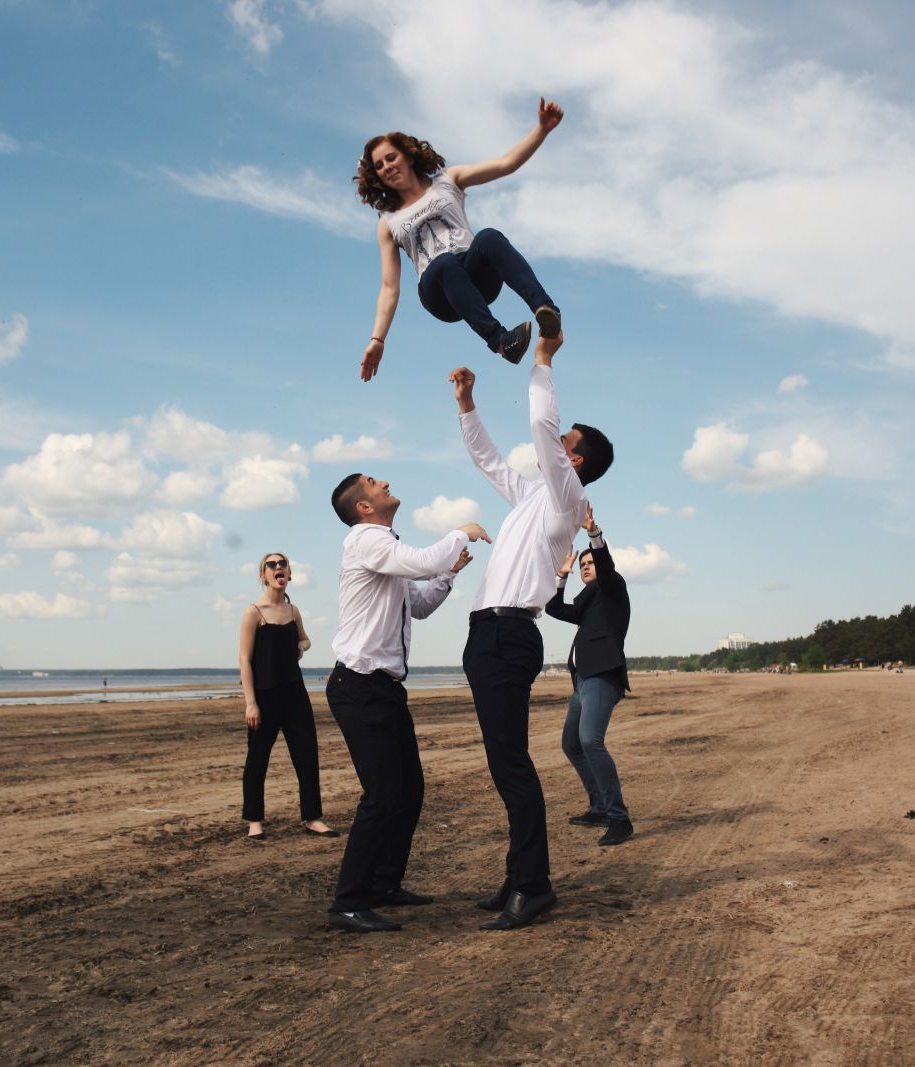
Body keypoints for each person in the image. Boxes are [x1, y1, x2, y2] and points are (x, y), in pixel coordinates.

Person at [450, 332, 615, 930]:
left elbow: (545, 431)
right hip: (484, 636)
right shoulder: (529, 498)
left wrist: (542, 362)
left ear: (575, 463)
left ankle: (534, 884)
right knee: (504, 763)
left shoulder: (567, 498)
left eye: (566, 444)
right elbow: (490, 460)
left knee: (510, 765)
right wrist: (467, 405)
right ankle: (519, 874)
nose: (556, 443)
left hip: (510, 636)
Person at [324, 473, 488, 934]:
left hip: (385, 689)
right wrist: (463, 530)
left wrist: (450, 572)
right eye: (376, 483)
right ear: (363, 507)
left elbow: (418, 602)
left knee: (408, 790)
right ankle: (348, 902)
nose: (386, 483)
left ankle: (383, 885)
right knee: (381, 796)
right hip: (358, 686)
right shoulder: (365, 540)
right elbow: (420, 562)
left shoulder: (384, 553)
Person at [354, 97, 566, 381]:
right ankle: (502, 342)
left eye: (391, 158)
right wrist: (377, 339)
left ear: (408, 156)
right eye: (379, 166)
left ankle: (546, 311)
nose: (387, 167)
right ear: (377, 176)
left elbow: (506, 163)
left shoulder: (448, 180)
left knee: (488, 237)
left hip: (476, 279)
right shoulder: (387, 221)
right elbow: (389, 287)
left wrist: (541, 129)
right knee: (442, 263)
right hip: (440, 293)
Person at [545, 504, 633, 847]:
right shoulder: (587, 601)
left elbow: (607, 568)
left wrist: (593, 535)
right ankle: (598, 807)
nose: (585, 566)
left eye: (588, 563)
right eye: (582, 564)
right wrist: (562, 574)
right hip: (582, 681)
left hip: (601, 675)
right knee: (572, 744)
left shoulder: (612, 588)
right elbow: (554, 608)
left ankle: (619, 818)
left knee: (590, 741)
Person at [239, 552, 336, 842]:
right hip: (265, 697)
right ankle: (254, 821)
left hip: (295, 694)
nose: (278, 567)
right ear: (263, 575)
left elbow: (304, 638)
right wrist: (251, 702)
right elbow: (244, 660)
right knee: (257, 760)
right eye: (271, 565)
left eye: (282, 564)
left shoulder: (293, 611)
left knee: (307, 757)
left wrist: (302, 645)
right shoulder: (254, 612)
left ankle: (313, 818)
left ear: (289, 574)